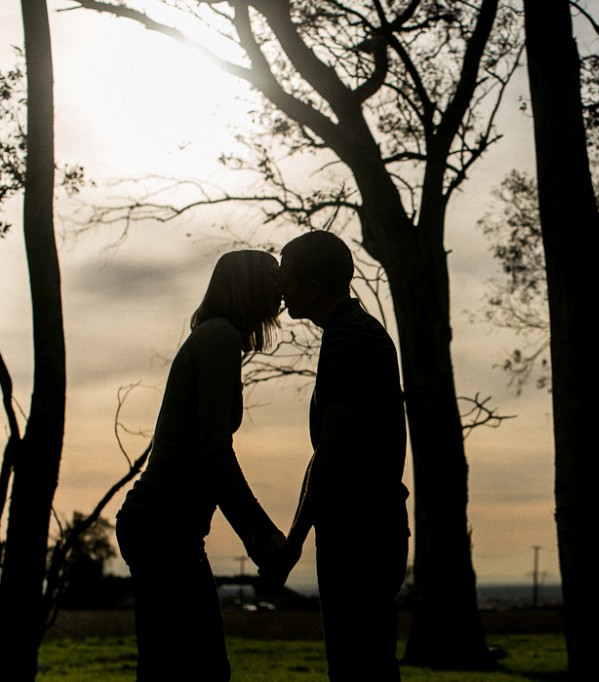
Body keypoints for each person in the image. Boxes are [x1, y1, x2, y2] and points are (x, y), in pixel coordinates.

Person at [116, 250, 287, 682]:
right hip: (162, 528)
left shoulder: (216, 338)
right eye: (270, 278)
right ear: (245, 286)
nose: (279, 287)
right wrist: (261, 534)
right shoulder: (220, 340)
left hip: (166, 528)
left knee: (173, 666)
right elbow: (215, 452)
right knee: (199, 668)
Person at [265, 231, 409, 681]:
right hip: (375, 524)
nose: (280, 291)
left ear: (313, 288)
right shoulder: (360, 331)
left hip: (358, 531)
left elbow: (332, 448)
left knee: (355, 666)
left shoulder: (346, 338)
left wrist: (294, 539)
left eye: (288, 281)